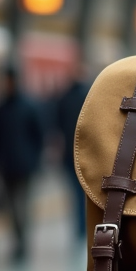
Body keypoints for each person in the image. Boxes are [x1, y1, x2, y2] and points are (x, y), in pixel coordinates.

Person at [0, 67, 44, 263]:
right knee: (10, 207)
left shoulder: (29, 106)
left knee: (22, 205)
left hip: (25, 165)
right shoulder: (0, 108)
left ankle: (22, 241)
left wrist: (36, 159)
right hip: (6, 166)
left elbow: (39, 135)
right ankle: (17, 239)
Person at [55, 63, 90, 246]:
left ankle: (79, 227)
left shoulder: (64, 97)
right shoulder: (89, 94)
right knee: (84, 192)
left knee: (75, 192)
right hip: (85, 152)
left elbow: (57, 125)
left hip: (69, 153)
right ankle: (83, 226)